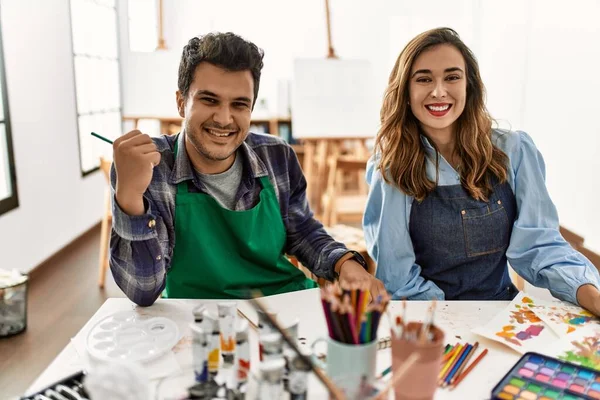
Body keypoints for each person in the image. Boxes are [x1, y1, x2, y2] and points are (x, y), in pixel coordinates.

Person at [110, 32, 385, 306]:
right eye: (209, 100)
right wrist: (130, 198)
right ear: (182, 102)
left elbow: (301, 231)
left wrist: (344, 263)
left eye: (239, 104)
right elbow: (142, 291)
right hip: (196, 317)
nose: (224, 118)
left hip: (283, 305)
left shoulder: (277, 155)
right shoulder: (149, 169)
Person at [363, 27, 600, 312]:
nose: (439, 91)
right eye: (424, 79)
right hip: (431, 319)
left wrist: (592, 296)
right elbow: (398, 278)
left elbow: (540, 245)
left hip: (502, 315)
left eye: (452, 77)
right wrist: (453, 323)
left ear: (469, 85)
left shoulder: (514, 151)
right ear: (405, 90)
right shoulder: (391, 169)